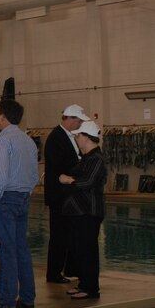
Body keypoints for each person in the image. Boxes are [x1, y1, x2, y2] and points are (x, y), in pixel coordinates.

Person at [0, 99, 39, 308]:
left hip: (6, 200)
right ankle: (27, 299)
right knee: (21, 250)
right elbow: (34, 176)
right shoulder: (28, 141)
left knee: (6, 251)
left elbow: (0, 177)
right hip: (23, 198)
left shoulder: (3, 141)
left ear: (3, 115)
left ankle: (6, 303)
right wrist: (25, 194)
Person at [60, 120, 108, 300]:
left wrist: (68, 181)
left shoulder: (96, 159)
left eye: (78, 136)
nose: (77, 139)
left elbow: (87, 183)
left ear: (87, 138)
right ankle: (83, 283)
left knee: (88, 250)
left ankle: (91, 288)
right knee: (79, 248)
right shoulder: (87, 159)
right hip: (80, 212)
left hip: (89, 212)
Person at [44, 104, 89, 283]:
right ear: (69, 119)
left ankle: (69, 268)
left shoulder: (69, 137)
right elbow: (57, 167)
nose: (79, 123)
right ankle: (53, 273)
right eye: (78, 120)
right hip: (59, 196)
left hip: (68, 196)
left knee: (69, 234)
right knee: (59, 235)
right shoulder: (56, 138)